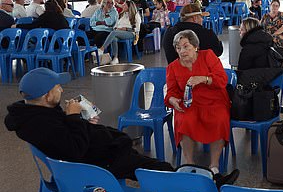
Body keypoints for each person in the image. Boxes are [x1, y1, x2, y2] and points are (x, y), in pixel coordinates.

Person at [4, 68, 174, 180]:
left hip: (105, 153)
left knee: (151, 164)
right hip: (101, 165)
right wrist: (73, 117)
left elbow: (64, 136)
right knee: (163, 170)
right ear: (47, 95)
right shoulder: (40, 126)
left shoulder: (34, 114)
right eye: (58, 87)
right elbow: (74, 150)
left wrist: (79, 120)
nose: (62, 90)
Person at [165, 30, 239, 185]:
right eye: (178, 48)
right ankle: (189, 165)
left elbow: (222, 80)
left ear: (195, 46)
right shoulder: (173, 67)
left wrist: (203, 79)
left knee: (219, 118)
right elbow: (171, 91)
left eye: (186, 46)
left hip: (214, 100)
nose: (182, 51)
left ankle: (214, 167)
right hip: (190, 103)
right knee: (184, 120)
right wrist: (172, 100)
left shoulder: (208, 56)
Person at [97, 0, 141, 65]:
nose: (122, 6)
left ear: (129, 7)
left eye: (124, 5)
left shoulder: (136, 15)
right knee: (114, 38)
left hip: (131, 33)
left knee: (114, 33)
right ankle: (115, 58)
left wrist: (126, 29)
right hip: (119, 32)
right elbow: (116, 24)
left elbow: (137, 29)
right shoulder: (122, 14)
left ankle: (101, 49)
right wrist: (116, 27)